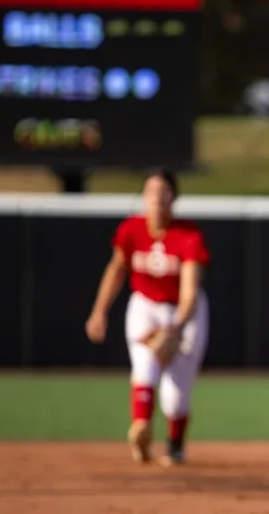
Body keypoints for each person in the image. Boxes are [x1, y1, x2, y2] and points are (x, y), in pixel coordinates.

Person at [85, 169, 211, 467]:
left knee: (175, 397)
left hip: (183, 312)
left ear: (174, 197)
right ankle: (141, 425)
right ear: (143, 197)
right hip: (145, 306)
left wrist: (175, 330)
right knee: (145, 367)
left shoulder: (188, 235)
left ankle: (175, 444)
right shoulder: (131, 230)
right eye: (150, 191)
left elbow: (190, 293)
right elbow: (117, 269)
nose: (156, 197)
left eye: (163, 191)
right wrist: (99, 310)